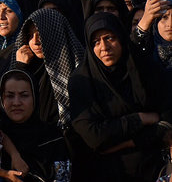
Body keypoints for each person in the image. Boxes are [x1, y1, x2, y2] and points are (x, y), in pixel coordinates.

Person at [68, 13, 172, 181]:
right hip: (103, 172)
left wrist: (129, 141)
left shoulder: (144, 69)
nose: (104, 47)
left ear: (121, 38)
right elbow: (95, 137)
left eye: (109, 38)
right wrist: (141, 119)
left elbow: (166, 121)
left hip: (152, 169)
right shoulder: (82, 82)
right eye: (96, 42)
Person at [12, 9, 84, 127]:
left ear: (56, 33)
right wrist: (20, 68)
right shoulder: (30, 68)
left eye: (40, 34)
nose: (35, 42)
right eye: (30, 36)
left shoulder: (79, 69)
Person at [0, 69, 71, 181]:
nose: (16, 102)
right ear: (1, 99)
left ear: (35, 98)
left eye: (24, 95)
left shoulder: (52, 137)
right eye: (10, 96)